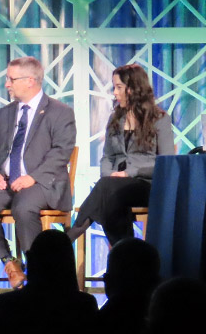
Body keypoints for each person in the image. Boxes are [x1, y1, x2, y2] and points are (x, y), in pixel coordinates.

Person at [0, 56, 76, 289]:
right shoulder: (6, 113)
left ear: (30, 81)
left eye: (11, 79)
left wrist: (32, 177)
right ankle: (10, 263)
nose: (7, 84)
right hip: (7, 182)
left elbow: (61, 152)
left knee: (24, 206)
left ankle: (37, 272)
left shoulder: (60, 112)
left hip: (44, 182)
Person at [67, 64, 174, 246]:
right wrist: (109, 175)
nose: (114, 93)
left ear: (133, 89)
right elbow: (107, 156)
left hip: (146, 185)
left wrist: (129, 173)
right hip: (114, 186)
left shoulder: (160, 119)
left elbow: (167, 163)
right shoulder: (116, 118)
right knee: (111, 198)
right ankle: (128, 255)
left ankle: (70, 235)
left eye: (118, 87)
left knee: (108, 192)